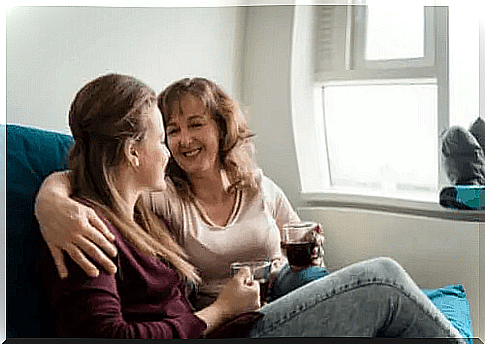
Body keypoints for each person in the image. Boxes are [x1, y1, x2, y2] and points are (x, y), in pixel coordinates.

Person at [37, 73, 464, 340]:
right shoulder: (95, 228)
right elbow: (85, 169)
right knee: (384, 279)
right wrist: (51, 201)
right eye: (163, 134)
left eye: (194, 126)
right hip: (227, 323)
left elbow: (98, 169)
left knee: (329, 281)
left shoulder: (136, 218)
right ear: (134, 151)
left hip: (244, 313)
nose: (172, 148)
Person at [35, 77, 329, 310]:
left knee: (318, 280)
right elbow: (93, 175)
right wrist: (50, 202)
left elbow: (299, 241)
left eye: (196, 124)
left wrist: (312, 252)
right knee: (375, 278)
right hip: (233, 314)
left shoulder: (258, 185)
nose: (184, 140)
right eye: (171, 131)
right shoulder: (161, 193)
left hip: (284, 286)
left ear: (221, 127)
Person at [40, 73, 260, 338]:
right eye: (160, 140)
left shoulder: (149, 221)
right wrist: (222, 309)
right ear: (132, 152)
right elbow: (106, 335)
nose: (168, 152)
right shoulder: (83, 230)